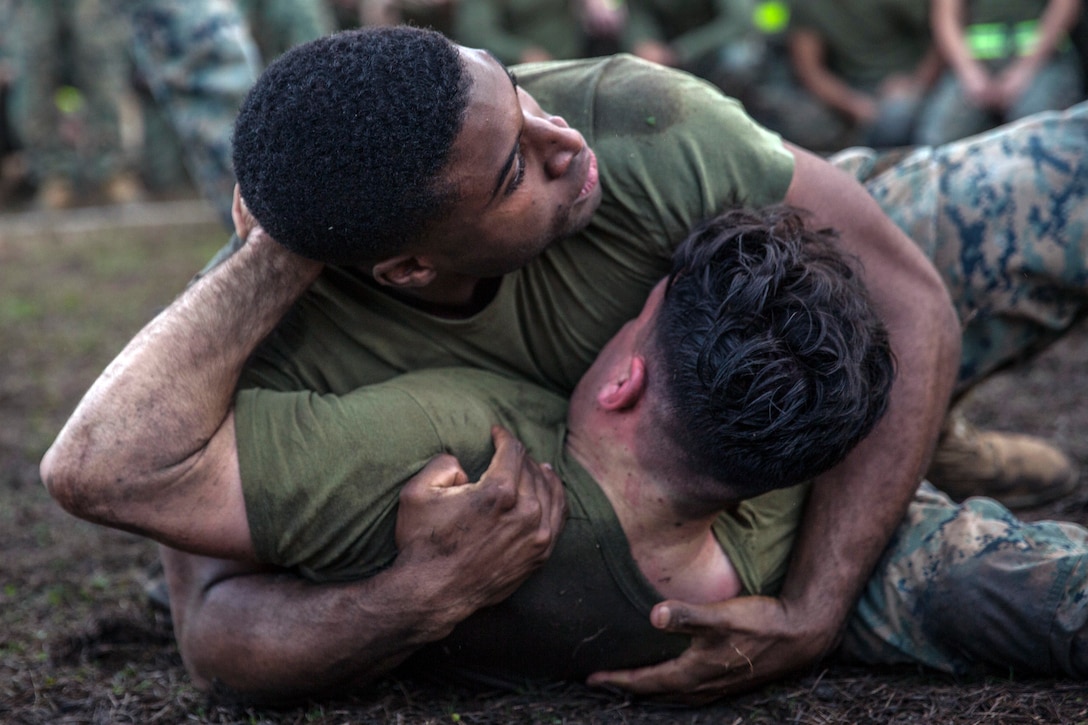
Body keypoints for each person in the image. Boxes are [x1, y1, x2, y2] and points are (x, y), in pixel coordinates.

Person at [41, 26, 1082, 701]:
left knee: (1058, 183)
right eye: (513, 170)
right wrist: (412, 596)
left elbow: (905, 298)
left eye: (517, 95)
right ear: (403, 264)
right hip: (696, 497)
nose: (561, 141)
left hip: (794, 285)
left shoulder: (627, 123)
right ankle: (929, 451)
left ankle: (926, 430)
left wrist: (812, 606)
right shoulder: (259, 353)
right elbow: (214, 632)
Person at [916, 0, 1084, 145]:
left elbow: (1067, 5)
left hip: (1044, 62)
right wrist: (970, 74)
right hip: (973, 68)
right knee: (939, 136)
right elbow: (946, 16)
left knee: (1040, 133)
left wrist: (1024, 71)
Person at [787, 0, 943, 150]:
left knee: (898, 119)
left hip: (911, 77)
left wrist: (917, 82)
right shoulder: (805, 5)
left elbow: (940, 34)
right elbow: (811, 71)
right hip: (854, 88)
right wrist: (854, 105)